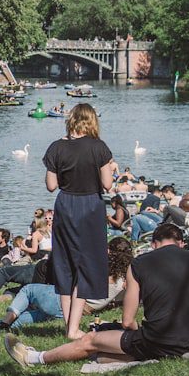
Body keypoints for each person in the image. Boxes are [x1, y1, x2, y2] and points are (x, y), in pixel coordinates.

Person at [7, 223, 189, 367]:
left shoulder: (140, 264)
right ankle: (112, 356)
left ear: (155, 243)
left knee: (91, 340)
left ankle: (33, 358)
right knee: (105, 351)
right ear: (180, 243)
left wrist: (136, 331)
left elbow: (128, 321)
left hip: (161, 339)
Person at [42, 103, 117, 341]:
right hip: (90, 207)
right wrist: (112, 169)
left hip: (65, 205)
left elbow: (51, 186)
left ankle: (69, 327)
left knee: (65, 266)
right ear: (92, 121)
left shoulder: (56, 147)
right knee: (87, 265)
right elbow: (107, 185)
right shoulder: (99, 147)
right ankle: (74, 329)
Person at [0, 237, 133, 337]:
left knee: (28, 289)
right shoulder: (125, 281)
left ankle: (3, 321)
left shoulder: (98, 270)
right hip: (76, 314)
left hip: (65, 303)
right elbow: (118, 301)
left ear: (109, 252)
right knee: (25, 319)